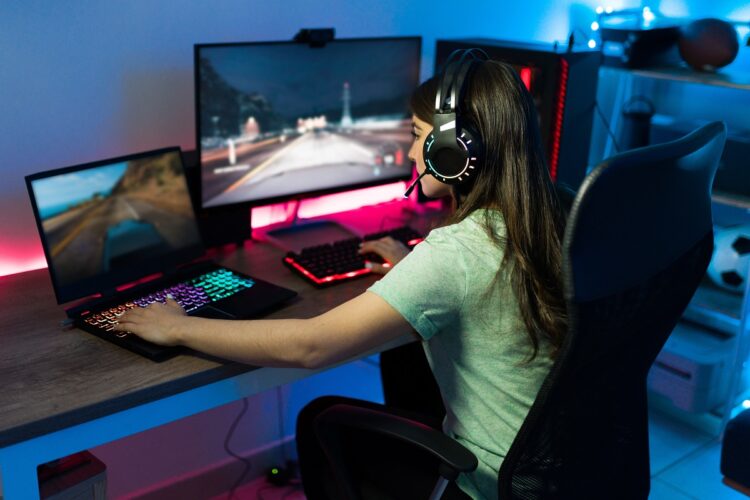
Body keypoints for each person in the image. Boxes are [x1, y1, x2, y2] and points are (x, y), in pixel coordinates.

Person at [115, 56, 568, 499]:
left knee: (319, 417)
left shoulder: (458, 253)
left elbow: (309, 346)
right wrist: (412, 267)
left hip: (489, 482)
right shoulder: (560, 214)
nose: (411, 153)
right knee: (402, 361)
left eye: (417, 136)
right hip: (565, 468)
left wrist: (177, 326)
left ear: (454, 150)